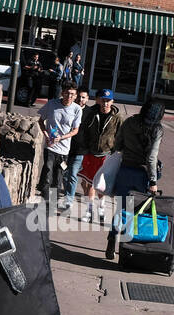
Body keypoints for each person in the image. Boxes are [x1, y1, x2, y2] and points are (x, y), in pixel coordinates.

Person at [105, 100, 164, 260]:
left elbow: (117, 144)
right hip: (142, 174)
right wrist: (153, 182)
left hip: (125, 170)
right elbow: (152, 158)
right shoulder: (157, 129)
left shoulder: (130, 121)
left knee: (121, 209)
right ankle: (126, 248)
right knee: (135, 212)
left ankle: (112, 240)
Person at [64, 88, 123, 219]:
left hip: (106, 155)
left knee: (101, 186)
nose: (105, 103)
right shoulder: (90, 113)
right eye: (103, 100)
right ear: (97, 100)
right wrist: (83, 146)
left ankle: (101, 208)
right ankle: (89, 212)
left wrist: (117, 152)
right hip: (90, 153)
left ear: (112, 101)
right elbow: (82, 131)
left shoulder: (117, 118)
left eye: (108, 101)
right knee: (89, 184)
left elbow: (121, 136)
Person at [37, 81, 83, 205]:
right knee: (47, 173)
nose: (69, 97)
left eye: (72, 94)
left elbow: (75, 130)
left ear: (75, 96)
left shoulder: (77, 109)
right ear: (62, 93)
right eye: (67, 93)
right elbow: (41, 121)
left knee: (58, 177)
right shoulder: (52, 104)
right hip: (50, 146)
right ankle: (45, 201)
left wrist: (62, 137)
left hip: (64, 149)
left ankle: (53, 202)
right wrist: (46, 135)